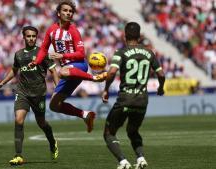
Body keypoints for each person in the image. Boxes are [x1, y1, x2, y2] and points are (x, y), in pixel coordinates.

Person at [28, 0, 107, 133]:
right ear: (58, 13)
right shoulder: (51, 30)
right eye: (65, 10)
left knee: (61, 72)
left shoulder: (73, 30)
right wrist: (36, 62)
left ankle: (95, 78)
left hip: (78, 66)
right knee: (54, 105)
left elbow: (81, 53)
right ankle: (85, 115)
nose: (68, 13)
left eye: (70, 11)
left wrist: (63, 56)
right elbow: (43, 49)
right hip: (69, 71)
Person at [101, 22, 165, 169]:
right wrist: (161, 88)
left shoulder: (121, 52)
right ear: (140, 36)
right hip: (142, 100)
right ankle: (141, 158)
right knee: (132, 130)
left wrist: (106, 89)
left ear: (125, 36)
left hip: (125, 99)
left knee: (109, 133)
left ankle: (123, 161)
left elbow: (111, 72)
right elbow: (161, 74)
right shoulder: (149, 53)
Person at [0, 26, 60, 166]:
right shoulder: (18, 54)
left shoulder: (43, 53)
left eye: (33, 36)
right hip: (22, 92)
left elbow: (54, 72)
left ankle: (52, 142)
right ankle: (18, 156)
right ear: (23, 37)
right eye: (28, 36)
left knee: (42, 123)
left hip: (38, 93)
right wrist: (2, 83)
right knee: (18, 120)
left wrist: (58, 90)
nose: (31, 39)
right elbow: (14, 71)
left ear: (36, 37)